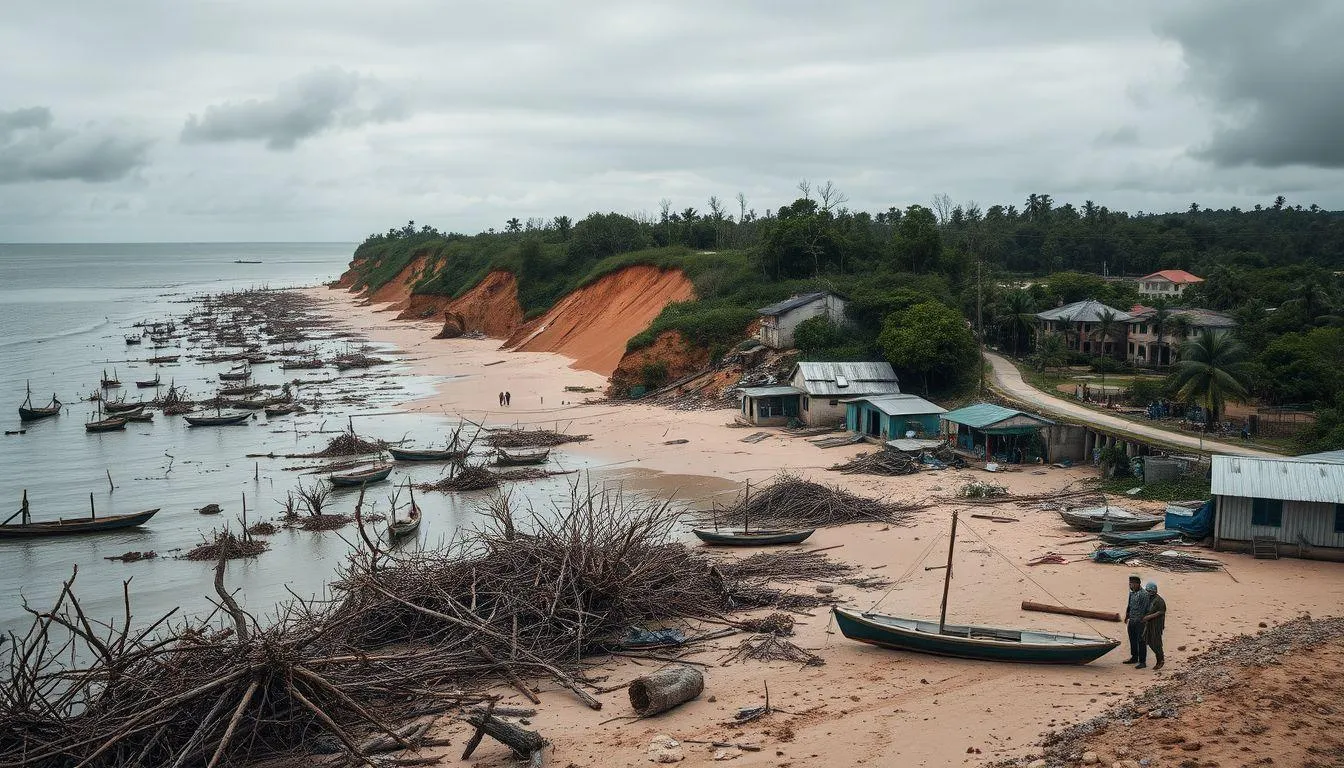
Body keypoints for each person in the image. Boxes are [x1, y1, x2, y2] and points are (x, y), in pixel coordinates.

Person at [1123, 574, 1151, 668]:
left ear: (1137, 584)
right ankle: (1134, 657)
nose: (1130, 586)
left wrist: (1142, 620)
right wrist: (1127, 616)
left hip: (1140, 621)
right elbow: (1129, 605)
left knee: (1141, 641)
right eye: (1129, 584)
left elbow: (1145, 609)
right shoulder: (1132, 593)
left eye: (1132, 584)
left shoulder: (1143, 595)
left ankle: (1142, 661)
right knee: (1132, 639)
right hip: (1132, 620)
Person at [1143, 582, 1166, 670]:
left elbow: (1161, 612)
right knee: (1148, 641)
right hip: (1148, 624)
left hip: (1156, 625)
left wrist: (1149, 617)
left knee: (1156, 642)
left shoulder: (1159, 600)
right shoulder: (1149, 598)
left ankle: (1160, 660)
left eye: (1149, 591)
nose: (1148, 592)